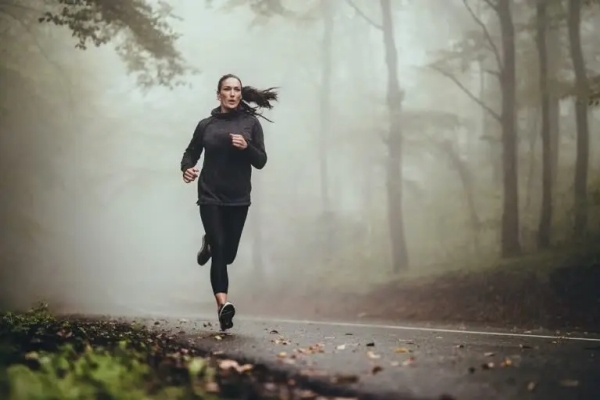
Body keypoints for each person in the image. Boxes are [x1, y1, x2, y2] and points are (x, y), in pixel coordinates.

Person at [180, 74, 277, 331]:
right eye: (227, 89)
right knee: (221, 251)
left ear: (240, 94)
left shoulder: (250, 124)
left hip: (238, 197)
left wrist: (247, 147)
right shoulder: (206, 125)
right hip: (210, 195)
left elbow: (261, 161)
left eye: (236, 89)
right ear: (218, 93)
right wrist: (187, 168)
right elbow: (191, 152)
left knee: (229, 253)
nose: (232, 94)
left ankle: (209, 243)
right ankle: (223, 305)